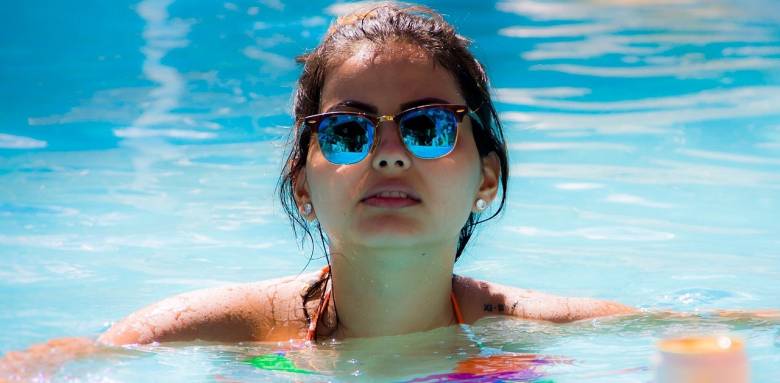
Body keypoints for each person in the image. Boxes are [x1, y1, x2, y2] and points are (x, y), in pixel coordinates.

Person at [1, 3, 636, 379]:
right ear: (303, 185)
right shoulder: (217, 333)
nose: (390, 154)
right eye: (348, 132)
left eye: (427, 126)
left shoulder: (545, 334)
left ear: (486, 177)